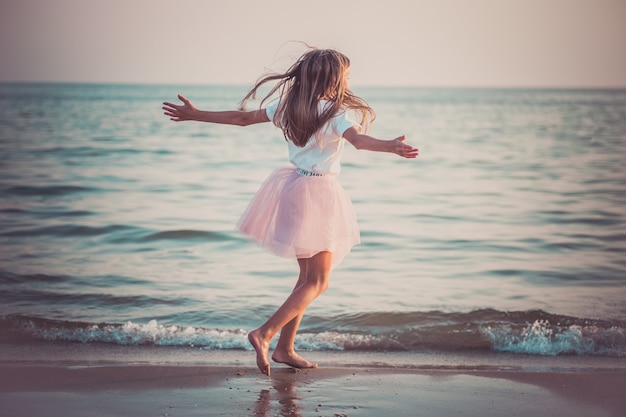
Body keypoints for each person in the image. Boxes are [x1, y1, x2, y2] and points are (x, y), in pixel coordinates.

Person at [162, 47, 418, 377]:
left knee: (306, 278)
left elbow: (241, 119)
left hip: (292, 189)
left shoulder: (288, 107)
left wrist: (195, 114)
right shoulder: (336, 114)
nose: (349, 82)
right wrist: (390, 146)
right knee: (320, 281)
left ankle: (285, 348)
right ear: (335, 80)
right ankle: (264, 334)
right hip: (320, 195)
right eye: (348, 77)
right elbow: (358, 141)